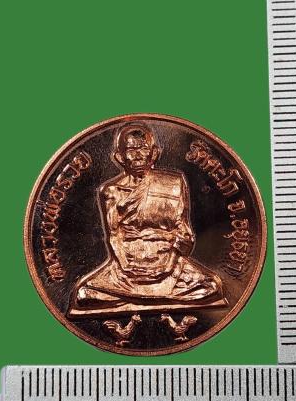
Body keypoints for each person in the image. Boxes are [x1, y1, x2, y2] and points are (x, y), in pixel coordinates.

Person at [68, 123, 225, 316]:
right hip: (127, 270)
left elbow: (184, 233)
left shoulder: (173, 183)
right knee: (85, 295)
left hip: (169, 264)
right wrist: (127, 267)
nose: (138, 155)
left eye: (143, 148)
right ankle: (154, 298)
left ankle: (143, 299)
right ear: (120, 157)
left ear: (154, 153)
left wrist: (168, 264)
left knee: (211, 287)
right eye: (131, 150)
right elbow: (114, 235)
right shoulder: (111, 192)